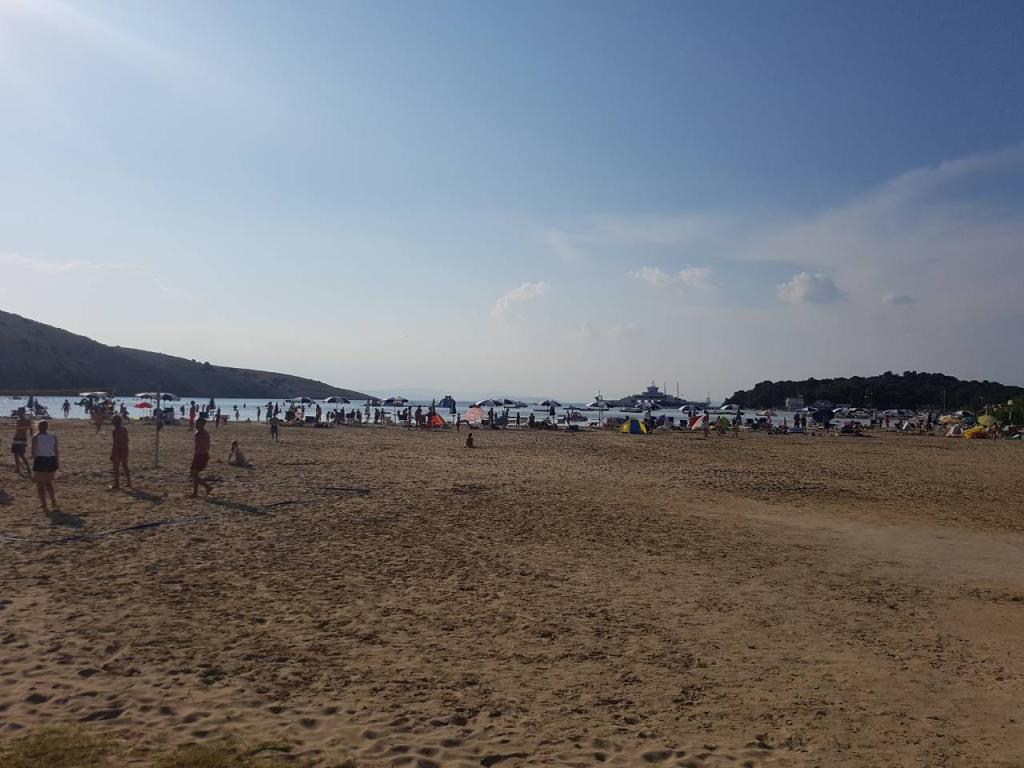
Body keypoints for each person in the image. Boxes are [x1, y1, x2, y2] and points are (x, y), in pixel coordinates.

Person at [30, 420, 59, 512]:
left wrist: (33, 458)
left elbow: (33, 452)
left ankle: (44, 503)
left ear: (38, 427)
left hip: (41, 460)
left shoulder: (35, 437)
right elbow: (56, 450)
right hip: (51, 459)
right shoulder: (53, 436)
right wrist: (57, 462)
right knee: (48, 483)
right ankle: (53, 501)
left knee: (40, 484)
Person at [190, 418, 213, 497]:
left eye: (198, 423)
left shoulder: (201, 434)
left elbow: (200, 447)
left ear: (202, 424)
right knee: (195, 474)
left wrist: (196, 455)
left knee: (193, 475)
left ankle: (208, 487)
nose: (196, 424)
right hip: (202, 455)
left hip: (201, 455)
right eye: (196, 422)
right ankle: (195, 492)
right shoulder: (202, 433)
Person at [109, 415, 131, 490]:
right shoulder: (124, 429)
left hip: (118, 450)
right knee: (125, 466)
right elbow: (127, 440)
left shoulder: (115, 431)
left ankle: (117, 484)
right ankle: (129, 482)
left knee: (116, 467)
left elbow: (116, 444)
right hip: (125, 449)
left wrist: (112, 454)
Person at [11, 408, 34, 477]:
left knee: (20, 454)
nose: (18, 413)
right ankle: (19, 468)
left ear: (23, 412)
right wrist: (32, 436)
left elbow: (28, 429)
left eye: (19, 412)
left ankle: (27, 468)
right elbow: (30, 429)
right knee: (17, 454)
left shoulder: (21, 420)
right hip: (21, 439)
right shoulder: (26, 420)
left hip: (19, 439)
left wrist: (32, 436)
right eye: (18, 412)